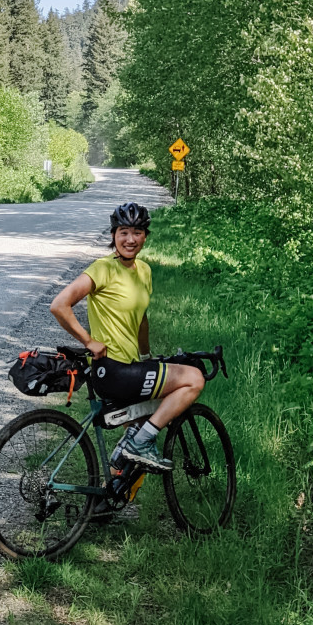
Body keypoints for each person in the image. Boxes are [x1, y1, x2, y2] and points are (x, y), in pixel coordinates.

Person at [50, 201, 204, 472]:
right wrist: (88, 341)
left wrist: (147, 357)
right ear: (113, 235)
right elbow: (59, 305)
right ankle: (140, 443)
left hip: (132, 367)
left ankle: (106, 502)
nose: (130, 239)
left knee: (137, 432)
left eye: (137, 232)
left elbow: (141, 318)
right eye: (123, 232)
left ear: (145, 236)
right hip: (113, 371)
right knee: (193, 379)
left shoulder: (144, 271)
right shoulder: (102, 269)